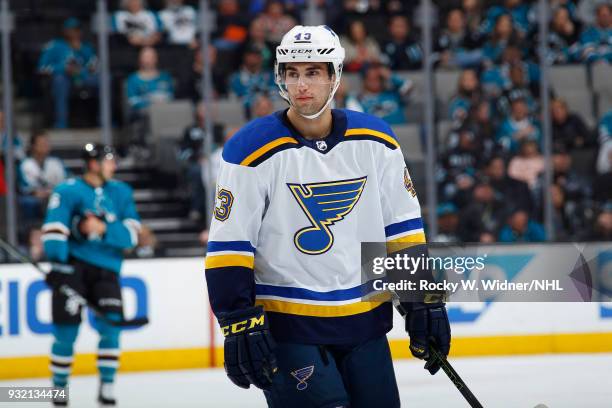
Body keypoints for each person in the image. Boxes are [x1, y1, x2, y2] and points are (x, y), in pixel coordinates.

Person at [204, 25, 450, 407]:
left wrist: (421, 299)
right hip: (290, 328)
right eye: (292, 73)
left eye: (313, 72)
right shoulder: (250, 150)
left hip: (365, 322)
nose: (301, 84)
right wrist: (237, 320)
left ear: (335, 76)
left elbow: (401, 227)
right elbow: (229, 244)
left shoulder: (377, 141)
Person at [42, 144, 141, 406]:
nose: (114, 166)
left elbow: (130, 236)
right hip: (73, 268)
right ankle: (58, 391)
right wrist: (58, 265)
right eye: (110, 161)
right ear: (94, 164)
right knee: (66, 332)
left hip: (107, 271)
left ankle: (107, 388)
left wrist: (102, 227)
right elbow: (54, 231)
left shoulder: (121, 192)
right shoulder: (67, 190)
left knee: (111, 328)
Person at [38, 18, 98, 129]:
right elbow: (42, 67)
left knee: (104, 80)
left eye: (77, 30)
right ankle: (61, 123)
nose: (74, 33)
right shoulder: (54, 46)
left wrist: (81, 51)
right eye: (71, 30)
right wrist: (63, 69)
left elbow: (94, 66)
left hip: (83, 78)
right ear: (65, 31)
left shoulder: (86, 47)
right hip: (63, 78)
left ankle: (104, 121)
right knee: (59, 81)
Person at [18, 130, 67, 223]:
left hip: (54, 195)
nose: (45, 145)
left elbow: (65, 181)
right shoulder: (25, 164)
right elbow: (24, 187)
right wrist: (37, 193)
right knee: (29, 203)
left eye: (46, 142)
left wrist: (52, 192)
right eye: (41, 143)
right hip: (34, 200)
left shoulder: (56, 162)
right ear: (33, 146)